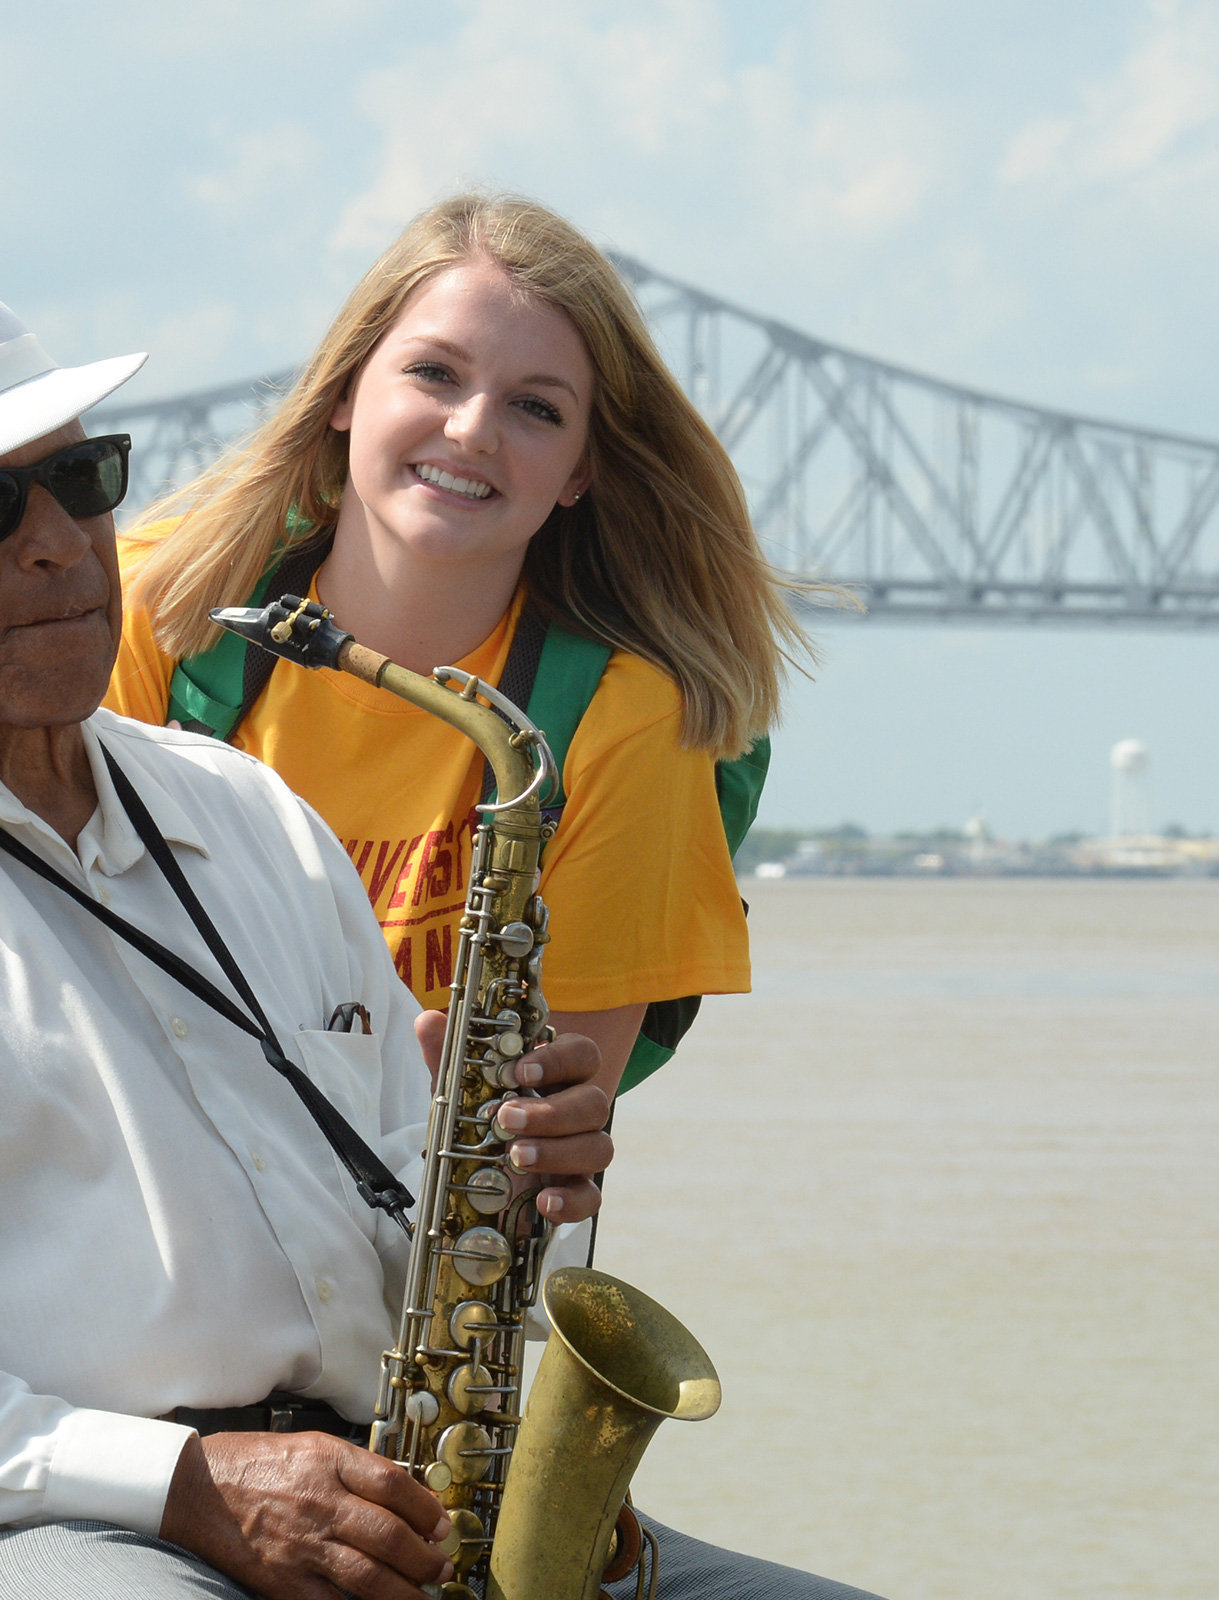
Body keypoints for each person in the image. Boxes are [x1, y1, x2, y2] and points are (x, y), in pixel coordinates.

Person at [0, 237, 875, 1600]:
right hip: (7, 1539)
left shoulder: (256, 822)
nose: (58, 543)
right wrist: (177, 1487)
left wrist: (512, 1191)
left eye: (78, 479)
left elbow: (408, 1237)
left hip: (356, 1504)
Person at [107, 194, 832, 1099]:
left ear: (581, 471)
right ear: (342, 391)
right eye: (434, 373)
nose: (473, 429)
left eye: (536, 408)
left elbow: (539, 1142)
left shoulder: (628, 720)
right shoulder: (158, 606)